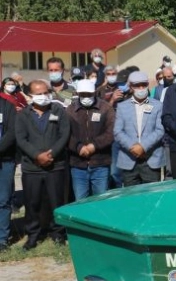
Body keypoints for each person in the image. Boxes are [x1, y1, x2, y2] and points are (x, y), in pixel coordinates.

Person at [15, 80, 71, 250]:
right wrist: (37, 155)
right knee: (32, 203)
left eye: (46, 92)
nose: (43, 96)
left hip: (55, 165)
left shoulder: (58, 110)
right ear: (30, 96)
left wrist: (51, 154)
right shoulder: (23, 115)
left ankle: (58, 233)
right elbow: (21, 139)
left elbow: (64, 134)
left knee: (57, 201)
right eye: (39, 94)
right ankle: (33, 235)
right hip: (32, 167)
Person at [113, 71, 166, 186]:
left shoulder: (158, 106)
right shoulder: (122, 107)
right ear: (131, 87)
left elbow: (160, 130)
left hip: (151, 159)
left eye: (144, 85)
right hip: (129, 159)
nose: (141, 88)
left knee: (151, 194)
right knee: (131, 196)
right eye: (137, 85)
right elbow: (118, 131)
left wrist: (143, 147)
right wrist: (132, 147)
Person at [67, 80, 115, 200]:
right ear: (78, 93)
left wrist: (94, 145)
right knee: (80, 200)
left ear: (94, 92)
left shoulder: (106, 108)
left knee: (101, 200)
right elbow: (66, 133)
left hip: (100, 163)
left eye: (88, 94)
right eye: (82, 94)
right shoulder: (70, 110)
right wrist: (78, 147)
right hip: (78, 164)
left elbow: (111, 132)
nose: (86, 97)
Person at [0, 92, 16, 252]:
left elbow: (12, 132)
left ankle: (2, 239)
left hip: (4, 160)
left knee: (3, 201)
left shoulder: (7, 106)